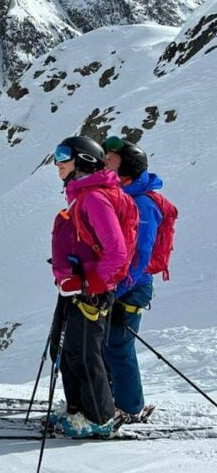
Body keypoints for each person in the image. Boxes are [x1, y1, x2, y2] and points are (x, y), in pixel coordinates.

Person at [49, 135, 138, 438]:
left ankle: (98, 418)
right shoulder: (82, 195)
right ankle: (78, 410)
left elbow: (117, 252)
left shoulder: (94, 198)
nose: (57, 162)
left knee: (86, 354)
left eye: (64, 155)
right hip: (79, 288)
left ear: (84, 160)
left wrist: (91, 284)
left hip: (92, 292)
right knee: (70, 350)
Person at [102, 136, 163, 422]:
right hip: (119, 284)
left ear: (128, 165)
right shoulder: (120, 196)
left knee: (118, 345)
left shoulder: (142, 203)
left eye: (111, 159)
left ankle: (129, 406)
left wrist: (119, 287)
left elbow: (142, 254)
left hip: (132, 287)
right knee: (104, 344)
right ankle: (109, 400)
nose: (105, 161)